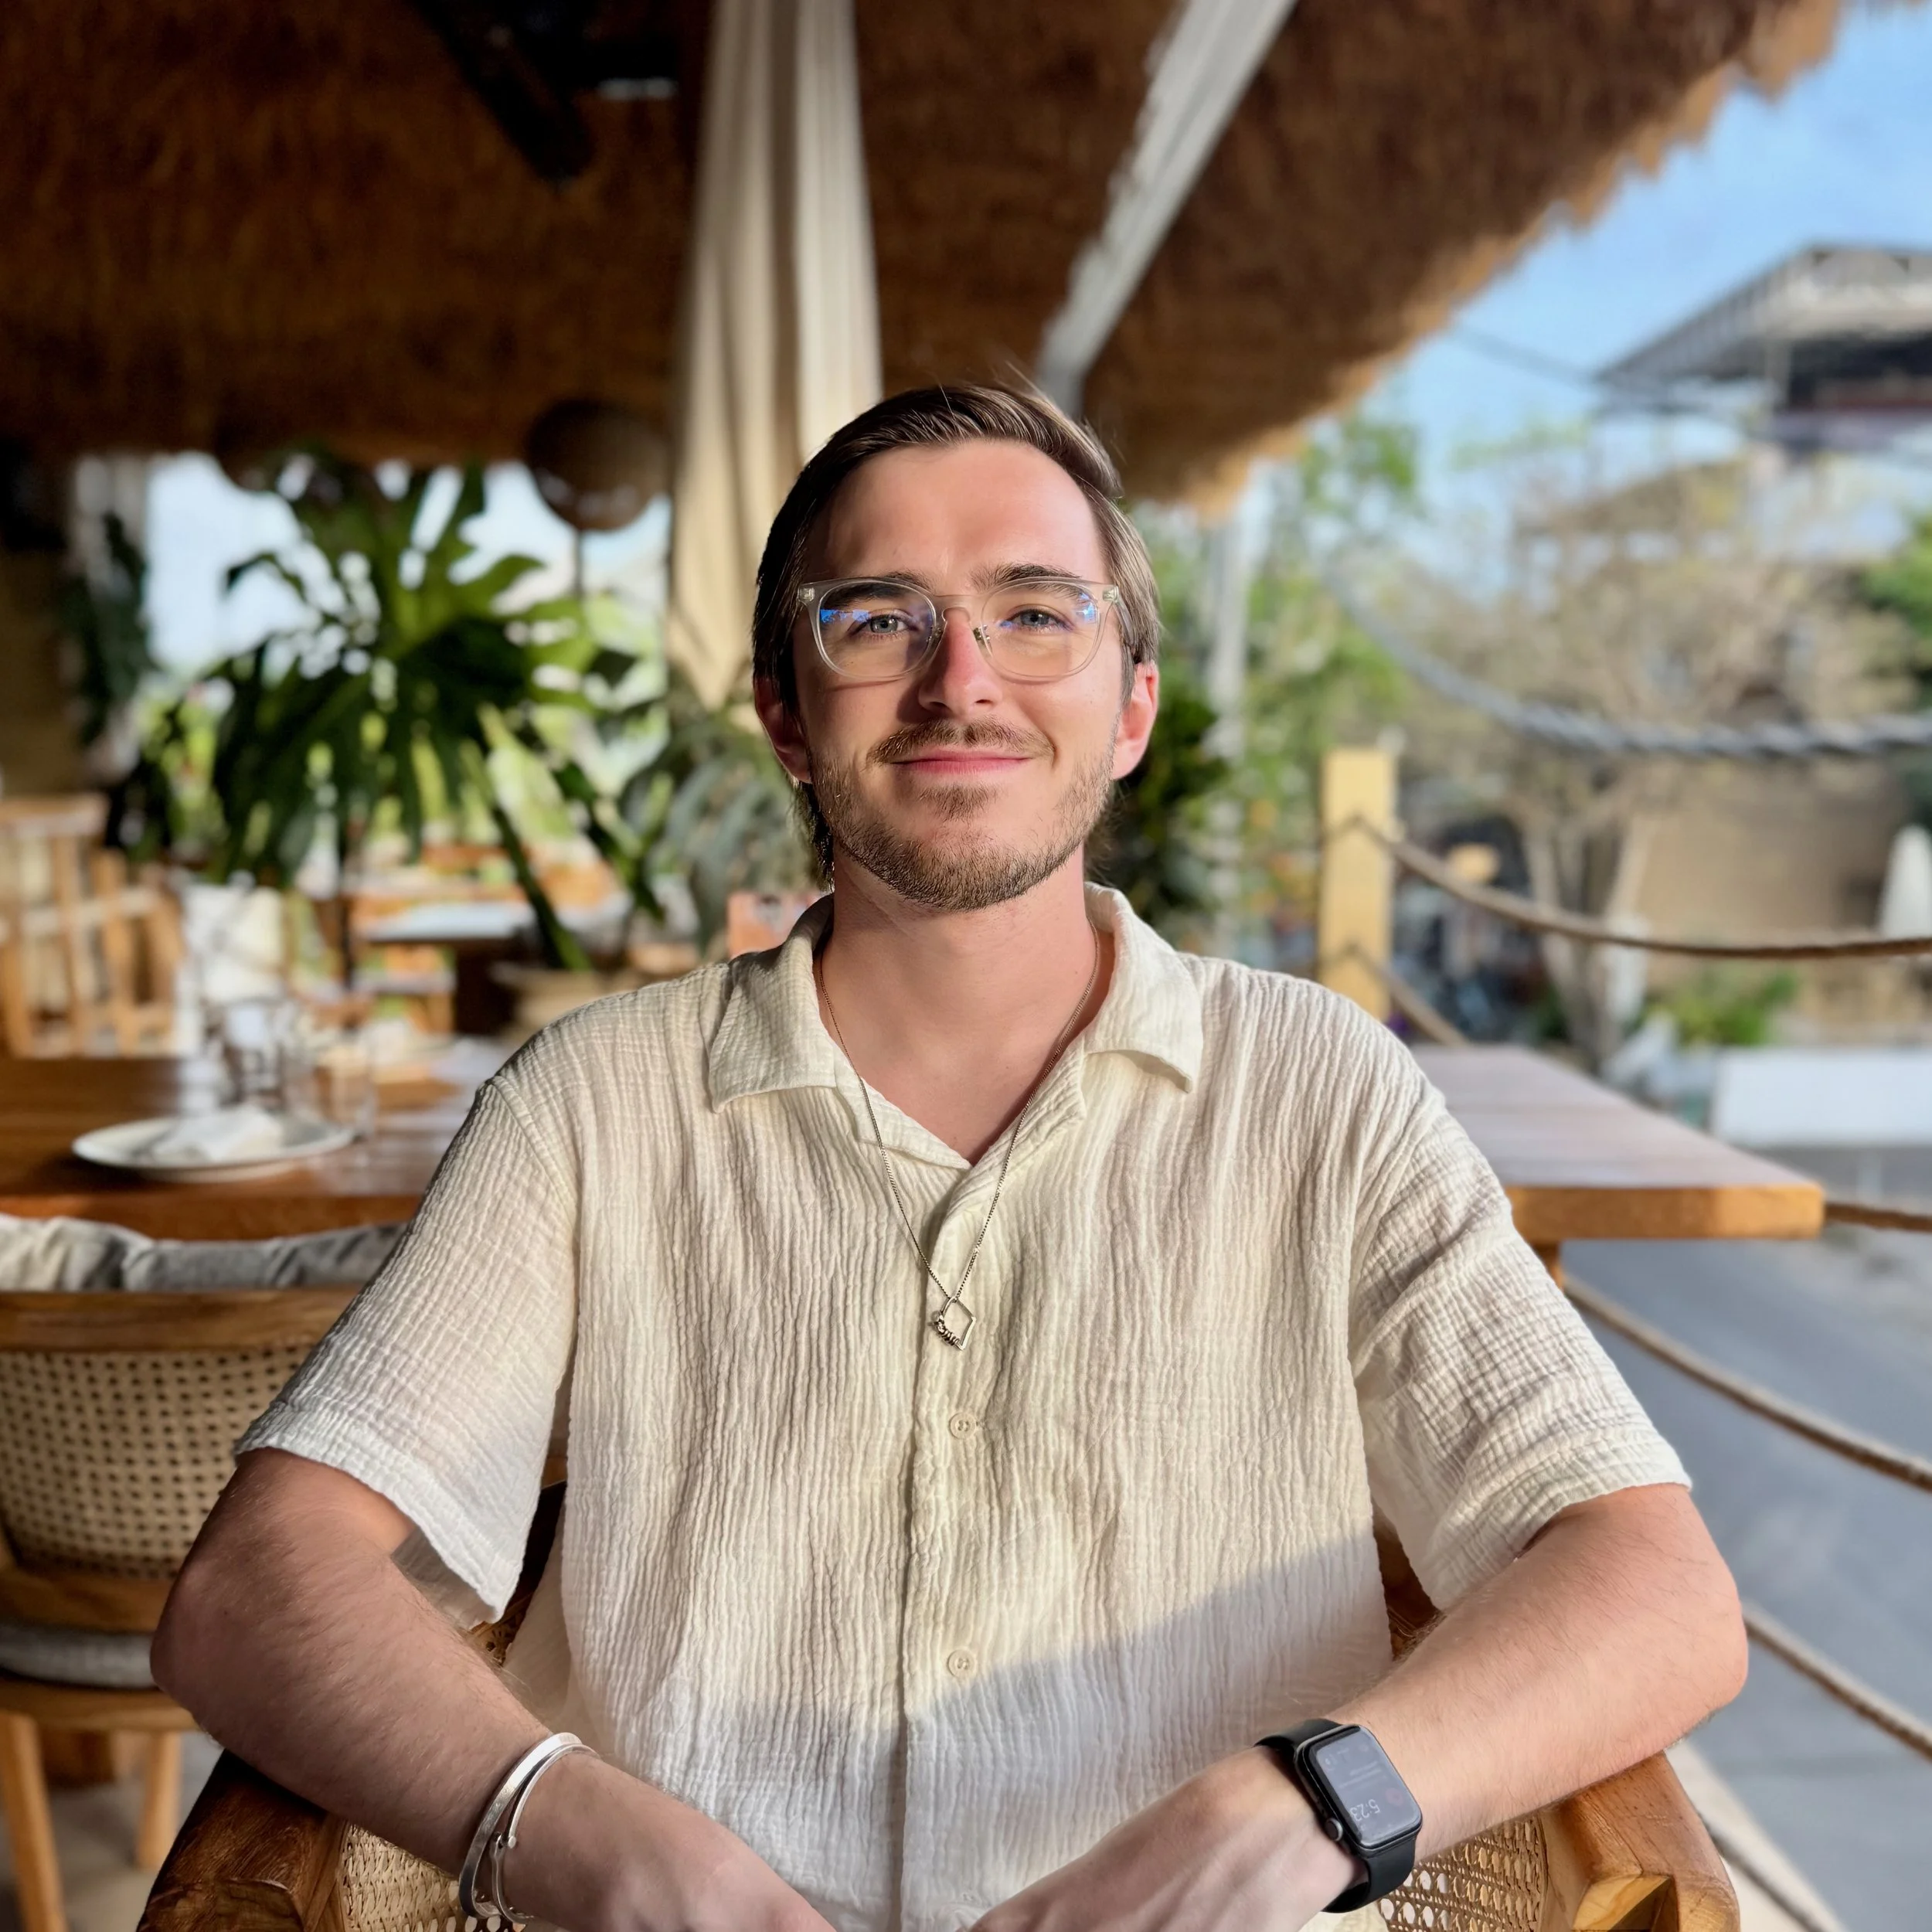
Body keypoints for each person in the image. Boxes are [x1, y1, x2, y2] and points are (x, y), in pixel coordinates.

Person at [155, 384, 1746, 1932]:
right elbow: (251, 1590)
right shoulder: (592, 1103)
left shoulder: (1321, 1093)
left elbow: (1652, 1585)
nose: (959, 680)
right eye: (877, 619)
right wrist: (588, 1838)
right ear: (788, 712)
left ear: (1130, 707)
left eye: (1035, 614)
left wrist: (1293, 1810)